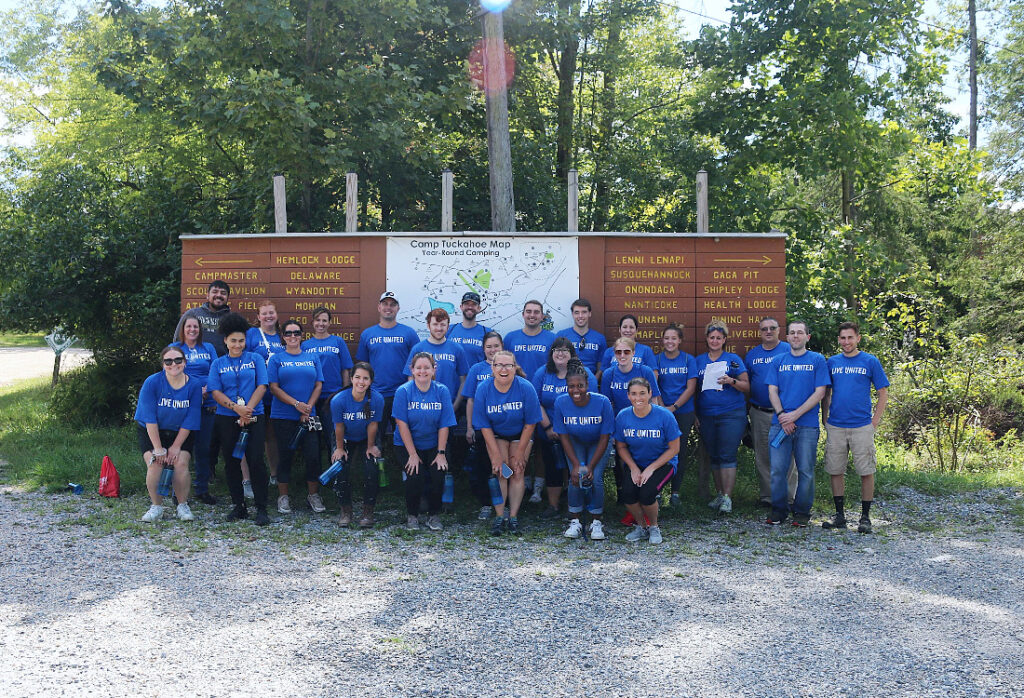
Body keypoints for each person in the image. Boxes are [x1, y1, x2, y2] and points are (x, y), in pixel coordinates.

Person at [820, 321, 889, 534]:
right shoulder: (832, 362)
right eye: (843, 338)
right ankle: (839, 515)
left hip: (861, 426)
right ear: (839, 340)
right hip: (837, 425)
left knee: (866, 471)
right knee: (835, 470)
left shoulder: (870, 361)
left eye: (850, 337)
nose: (846, 342)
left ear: (858, 338)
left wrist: (874, 422)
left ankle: (865, 517)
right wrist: (825, 418)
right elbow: (826, 392)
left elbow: (883, 392)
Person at [207, 312, 271, 525]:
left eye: (241, 340)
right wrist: (236, 409)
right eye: (233, 341)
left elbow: (262, 385)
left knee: (255, 460)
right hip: (227, 417)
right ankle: (239, 505)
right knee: (232, 462)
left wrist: (248, 410)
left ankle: (261, 507)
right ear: (225, 340)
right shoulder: (218, 363)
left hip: (254, 415)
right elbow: (215, 391)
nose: (237, 345)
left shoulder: (255, 359)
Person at [765, 320, 830, 527]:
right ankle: (778, 511)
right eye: (792, 332)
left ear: (807, 337)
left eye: (800, 332)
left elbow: (820, 392)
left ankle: (801, 512)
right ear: (787, 337)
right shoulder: (777, 361)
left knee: (806, 470)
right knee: (777, 470)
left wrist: (795, 415)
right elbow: (772, 391)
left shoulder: (818, 360)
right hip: (779, 424)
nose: (795, 336)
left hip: (807, 425)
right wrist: (783, 415)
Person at [474, 350, 543, 535]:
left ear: (515, 367)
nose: (503, 369)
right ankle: (499, 516)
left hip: (520, 434)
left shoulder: (525, 387)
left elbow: (531, 423)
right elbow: (483, 425)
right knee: (502, 470)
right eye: (499, 365)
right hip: (496, 434)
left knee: (517, 470)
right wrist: (495, 455)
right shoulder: (484, 388)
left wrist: (520, 452)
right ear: (493, 367)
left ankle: (513, 516)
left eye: (508, 365)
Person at [134, 345, 203, 523]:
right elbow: (149, 418)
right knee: (156, 464)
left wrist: (176, 447)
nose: (174, 364)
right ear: (163, 364)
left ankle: (182, 505)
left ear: (185, 362)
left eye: (178, 360)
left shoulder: (194, 385)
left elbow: (191, 418)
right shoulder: (152, 382)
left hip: (180, 432)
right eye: (168, 361)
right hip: (152, 431)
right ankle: (156, 506)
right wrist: (158, 449)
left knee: (180, 463)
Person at [532, 337, 598, 517]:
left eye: (565, 350)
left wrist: (568, 431)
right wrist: (547, 427)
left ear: (572, 354)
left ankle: (577, 506)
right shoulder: (542, 373)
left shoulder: (585, 374)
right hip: (549, 432)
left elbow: (592, 404)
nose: (560, 354)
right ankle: (553, 506)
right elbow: (535, 402)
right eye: (556, 350)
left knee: (576, 469)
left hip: (576, 433)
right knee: (552, 467)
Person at [393, 352, 457, 531]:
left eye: (426, 367)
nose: (422, 371)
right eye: (418, 368)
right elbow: (402, 424)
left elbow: (445, 424)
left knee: (439, 473)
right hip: (407, 444)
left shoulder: (442, 390)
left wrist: (441, 453)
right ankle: (412, 515)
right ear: (412, 370)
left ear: (434, 370)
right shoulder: (403, 391)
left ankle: (433, 515)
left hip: (434, 443)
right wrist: (412, 455)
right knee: (415, 475)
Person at [268, 320, 325, 515]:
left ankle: (313, 495)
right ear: (283, 337)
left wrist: (307, 407)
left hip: (310, 415)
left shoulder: (312, 356)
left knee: (313, 455)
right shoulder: (276, 359)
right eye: (288, 333)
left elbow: (318, 384)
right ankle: (283, 496)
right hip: (283, 415)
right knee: (285, 455)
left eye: (297, 333)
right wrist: (296, 404)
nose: (293, 336)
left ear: (302, 335)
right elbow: (274, 387)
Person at [553, 361, 614, 540]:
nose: (576, 390)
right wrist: (574, 465)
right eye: (571, 386)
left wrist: (591, 466)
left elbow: (605, 437)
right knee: (576, 476)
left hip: (598, 441)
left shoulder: (602, 402)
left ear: (588, 385)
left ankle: (596, 521)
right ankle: (575, 520)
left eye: (580, 385)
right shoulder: (561, 402)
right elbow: (563, 435)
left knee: (594, 477)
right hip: (575, 441)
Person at [615, 378, 681, 544]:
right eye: (634, 394)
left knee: (647, 493)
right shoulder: (623, 416)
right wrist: (633, 468)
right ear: (628, 396)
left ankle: (654, 527)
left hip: (663, 463)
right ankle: (642, 527)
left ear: (650, 394)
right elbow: (621, 447)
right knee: (627, 494)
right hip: (637, 463)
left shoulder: (664, 416)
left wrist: (651, 468)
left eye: (642, 393)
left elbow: (674, 448)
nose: (638, 398)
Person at [600, 337, 661, 512]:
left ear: (633, 353)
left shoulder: (645, 371)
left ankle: (648, 495)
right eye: (618, 352)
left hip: (644, 421)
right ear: (614, 354)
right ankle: (624, 495)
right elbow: (607, 405)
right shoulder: (608, 374)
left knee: (645, 456)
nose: (622, 355)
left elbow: (654, 399)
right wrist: (611, 432)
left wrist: (655, 425)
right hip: (621, 423)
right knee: (622, 461)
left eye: (626, 351)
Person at [694, 322, 750, 514]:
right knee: (715, 456)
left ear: (724, 340)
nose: (715, 341)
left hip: (731, 413)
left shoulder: (732, 360)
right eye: (712, 337)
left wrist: (731, 381)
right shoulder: (699, 361)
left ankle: (727, 497)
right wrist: (695, 414)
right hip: (707, 414)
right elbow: (694, 389)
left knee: (727, 454)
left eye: (719, 338)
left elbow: (746, 385)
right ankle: (719, 495)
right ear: (707, 339)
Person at [355, 291, 420, 446]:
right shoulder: (367, 334)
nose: (388, 308)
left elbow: (418, 363)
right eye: (385, 304)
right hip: (376, 395)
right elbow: (362, 367)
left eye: (392, 304)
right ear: (379, 307)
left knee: (406, 438)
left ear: (398, 308)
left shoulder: (409, 333)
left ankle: (407, 469)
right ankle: (375, 467)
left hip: (402, 394)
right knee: (375, 438)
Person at [744, 316, 796, 508]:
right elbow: (747, 384)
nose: (768, 331)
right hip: (759, 412)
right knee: (763, 456)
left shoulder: (789, 350)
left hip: (785, 414)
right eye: (764, 329)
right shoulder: (752, 355)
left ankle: (789, 498)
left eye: (772, 328)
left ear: (779, 330)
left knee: (788, 455)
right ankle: (768, 497)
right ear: (760, 332)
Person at [329, 362, 385, 528]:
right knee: (340, 467)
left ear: (371, 381)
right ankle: (346, 510)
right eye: (358, 377)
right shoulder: (338, 400)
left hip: (367, 436)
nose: (361, 382)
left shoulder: (377, 399)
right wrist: (339, 448)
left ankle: (368, 511)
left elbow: (373, 424)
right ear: (351, 379)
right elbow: (339, 427)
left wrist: (370, 446)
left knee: (372, 467)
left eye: (365, 378)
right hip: (345, 436)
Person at [172, 316, 219, 505]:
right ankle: (178, 491)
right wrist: (193, 391)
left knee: (203, 448)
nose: (192, 329)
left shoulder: (208, 348)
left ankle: (202, 489)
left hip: (207, 404)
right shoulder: (175, 348)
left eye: (196, 327)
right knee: (182, 448)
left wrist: (207, 391)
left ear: (200, 330)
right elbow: (171, 373)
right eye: (189, 326)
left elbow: (216, 371)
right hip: (183, 406)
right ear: (183, 329)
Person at [462, 330, 504, 520]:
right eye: (489, 346)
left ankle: (504, 504)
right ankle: (486, 504)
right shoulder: (476, 369)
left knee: (504, 468)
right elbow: (470, 400)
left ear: (502, 347)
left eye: (496, 346)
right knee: (483, 468)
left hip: (503, 428)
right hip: (481, 428)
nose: (492, 350)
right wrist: (470, 427)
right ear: (483, 349)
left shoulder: (508, 367)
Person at [302, 306, 354, 456]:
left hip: (332, 398)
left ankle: (336, 471)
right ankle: (316, 473)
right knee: (314, 435)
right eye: (318, 320)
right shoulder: (305, 345)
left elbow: (346, 369)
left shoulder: (337, 342)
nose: (321, 323)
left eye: (324, 320)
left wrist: (345, 393)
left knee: (334, 435)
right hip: (312, 401)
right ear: (312, 322)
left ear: (330, 323)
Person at [655, 323, 697, 507]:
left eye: (673, 338)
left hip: (683, 412)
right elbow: (654, 384)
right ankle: (656, 491)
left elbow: (691, 387)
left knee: (679, 451)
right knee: (658, 450)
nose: (670, 341)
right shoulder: (657, 360)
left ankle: (675, 492)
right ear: (662, 340)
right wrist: (663, 407)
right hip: (661, 411)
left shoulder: (689, 360)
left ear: (679, 340)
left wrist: (675, 406)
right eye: (666, 338)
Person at [246, 300, 285, 488]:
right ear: (258, 317)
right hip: (255, 394)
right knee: (253, 435)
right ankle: (250, 478)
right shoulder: (252, 334)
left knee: (272, 436)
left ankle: (274, 474)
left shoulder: (283, 336)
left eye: (272, 312)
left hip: (278, 395)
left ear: (276, 315)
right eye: (265, 313)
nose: (268, 316)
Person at [404, 308, 469, 410]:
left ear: (448, 326)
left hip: (449, 406)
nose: (439, 328)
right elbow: (410, 378)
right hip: (423, 407)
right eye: (435, 324)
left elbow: (463, 381)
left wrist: (455, 406)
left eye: (443, 324)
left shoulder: (457, 349)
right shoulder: (418, 348)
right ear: (428, 325)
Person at [173, 280, 232, 356]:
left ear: (227, 297)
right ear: (207, 295)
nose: (219, 295)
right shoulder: (193, 314)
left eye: (223, 293)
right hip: (194, 361)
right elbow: (178, 338)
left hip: (222, 363)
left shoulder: (232, 319)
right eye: (215, 292)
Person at [503, 300, 555, 380]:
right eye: (528, 311)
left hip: (541, 388)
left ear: (542, 317)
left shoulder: (552, 339)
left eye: (536, 312)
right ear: (523, 314)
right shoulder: (510, 338)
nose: (532, 315)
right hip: (516, 387)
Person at [555, 298, 607, 374]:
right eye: (577, 312)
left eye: (584, 312)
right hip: (566, 380)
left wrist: (594, 381)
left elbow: (601, 366)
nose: (580, 316)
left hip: (590, 380)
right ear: (572, 314)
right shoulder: (562, 335)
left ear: (590, 313)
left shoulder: (599, 338)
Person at [446, 292, 491, 365]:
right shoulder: (449, 330)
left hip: (476, 376)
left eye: (473, 304)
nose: (470, 307)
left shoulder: (487, 332)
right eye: (467, 304)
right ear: (461, 307)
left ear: (479, 308)